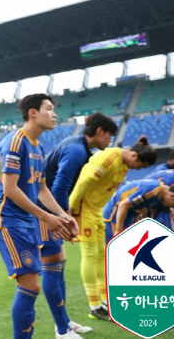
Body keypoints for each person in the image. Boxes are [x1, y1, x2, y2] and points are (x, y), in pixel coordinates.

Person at [0, 94, 79, 339]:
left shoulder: (38, 148)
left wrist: (62, 215)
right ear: (32, 112)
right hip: (7, 219)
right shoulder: (15, 142)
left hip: (26, 219)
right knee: (30, 285)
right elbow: (10, 189)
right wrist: (47, 218)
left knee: (33, 284)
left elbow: (42, 189)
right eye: (49, 109)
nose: (54, 114)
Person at [37, 113, 118, 335]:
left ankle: (64, 322)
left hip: (49, 211)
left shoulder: (78, 147)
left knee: (59, 265)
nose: (111, 140)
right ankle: (61, 330)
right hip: (45, 213)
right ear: (100, 130)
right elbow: (60, 186)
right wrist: (63, 218)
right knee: (53, 268)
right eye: (110, 134)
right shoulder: (76, 150)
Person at [68, 136, 157, 320]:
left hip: (96, 210)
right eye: (139, 165)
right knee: (91, 255)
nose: (137, 169)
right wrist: (70, 211)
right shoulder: (109, 158)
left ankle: (106, 302)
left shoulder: (124, 164)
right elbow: (83, 182)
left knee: (101, 256)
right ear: (133, 155)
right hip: (84, 208)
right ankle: (94, 306)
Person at [103, 177, 174, 240]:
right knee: (115, 249)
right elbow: (123, 205)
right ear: (173, 195)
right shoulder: (153, 190)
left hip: (126, 216)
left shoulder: (158, 196)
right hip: (114, 214)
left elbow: (136, 209)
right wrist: (118, 231)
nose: (173, 207)